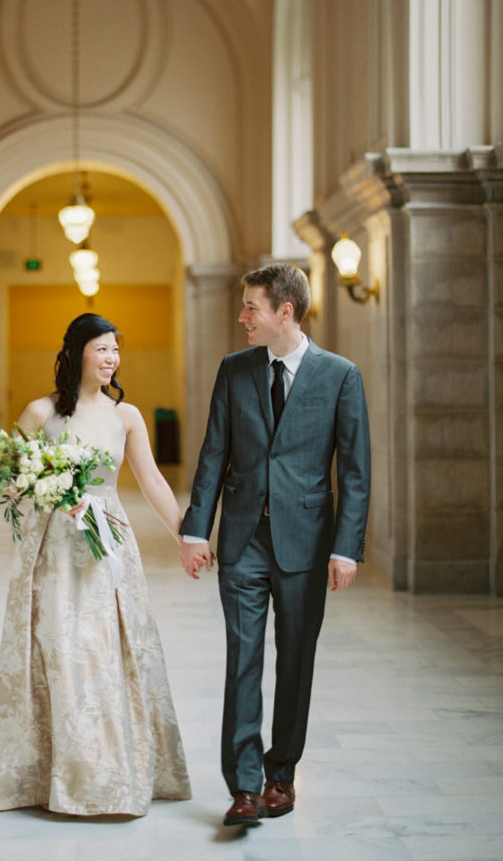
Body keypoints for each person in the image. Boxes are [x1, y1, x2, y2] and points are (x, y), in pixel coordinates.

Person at [0, 312, 191, 817]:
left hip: (108, 543)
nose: (112, 359)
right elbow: (8, 482)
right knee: (61, 653)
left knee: (105, 653)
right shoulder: (39, 412)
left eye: (116, 350)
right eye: (102, 349)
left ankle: (112, 771)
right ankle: (53, 773)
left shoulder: (126, 416)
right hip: (54, 549)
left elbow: (154, 481)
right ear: (76, 354)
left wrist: (187, 536)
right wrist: (45, 487)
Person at [179, 263, 370, 827]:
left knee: (296, 661)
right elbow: (214, 452)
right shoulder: (234, 370)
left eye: (251, 308)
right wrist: (196, 530)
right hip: (241, 542)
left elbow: (355, 471)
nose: (242, 317)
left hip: (306, 545)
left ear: (284, 311)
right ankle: (242, 787)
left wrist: (346, 547)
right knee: (243, 660)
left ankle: (280, 774)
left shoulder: (340, 375)